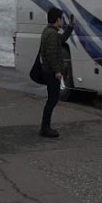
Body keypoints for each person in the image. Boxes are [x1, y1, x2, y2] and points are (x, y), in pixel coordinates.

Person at [38, 8, 74, 138]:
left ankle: (45, 127)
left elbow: (62, 39)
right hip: (51, 72)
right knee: (52, 100)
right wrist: (57, 71)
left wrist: (70, 27)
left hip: (48, 71)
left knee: (52, 100)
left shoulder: (50, 32)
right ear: (57, 19)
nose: (63, 21)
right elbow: (51, 55)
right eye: (62, 19)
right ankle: (45, 128)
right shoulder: (52, 34)